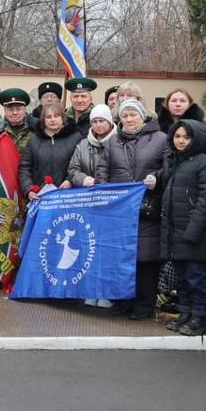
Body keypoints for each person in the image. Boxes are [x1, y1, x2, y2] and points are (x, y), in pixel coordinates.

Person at [96, 98, 168, 319]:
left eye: (133, 114)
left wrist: (156, 178)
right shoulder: (112, 142)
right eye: (124, 116)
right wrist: (105, 193)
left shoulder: (161, 139)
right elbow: (102, 170)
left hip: (147, 208)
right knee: (120, 257)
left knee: (145, 259)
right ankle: (122, 302)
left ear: (142, 116)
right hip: (119, 211)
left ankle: (145, 305)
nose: (128, 119)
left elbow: (169, 167)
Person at [158, 119, 206, 336]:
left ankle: (200, 316)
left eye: (186, 137)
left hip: (195, 233)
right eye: (177, 136)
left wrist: (193, 230)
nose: (181, 141)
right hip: (175, 230)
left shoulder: (205, 162)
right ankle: (185, 312)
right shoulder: (173, 160)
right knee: (182, 277)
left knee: (196, 277)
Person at [66, 102, 115, 308]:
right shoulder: (83, 145)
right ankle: (91, 290)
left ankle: (107, 293)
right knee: (90, 248)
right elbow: (73, 169)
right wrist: (82, 179)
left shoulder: (119, 142)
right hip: (88, 203)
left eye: (102, 121)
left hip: (112, 205)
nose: (98, 125)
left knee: (108, 250)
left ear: (110, 122)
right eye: (95, 121)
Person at [20, 104, 81, 190]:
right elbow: (25, 167)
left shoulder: (75, 137)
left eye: (56, 116)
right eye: (48, 117)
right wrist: (29, 189)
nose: (52, 120)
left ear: (63, 118)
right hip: (40, 194)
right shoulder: (34, 140)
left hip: (67, 194)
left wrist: (70, 181)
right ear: (43, 120)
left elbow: (80, 165)